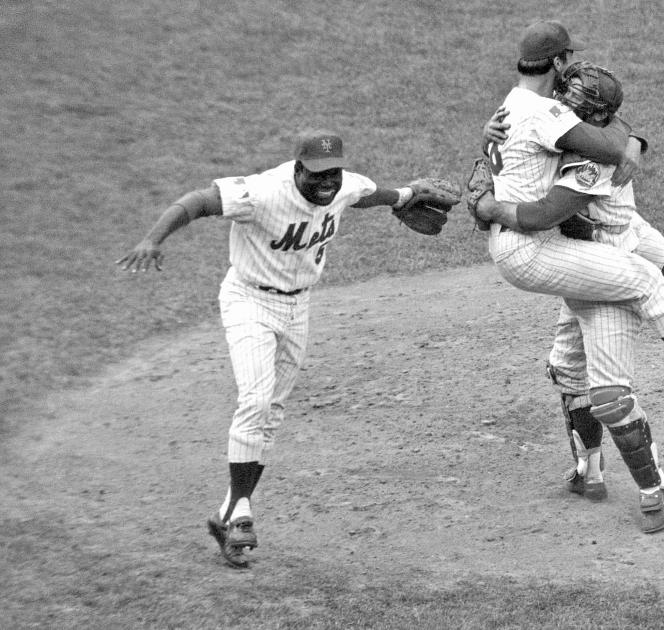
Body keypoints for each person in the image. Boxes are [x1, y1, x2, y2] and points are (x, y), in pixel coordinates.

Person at [471, 22, 664, 532]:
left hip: (563, 256)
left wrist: (630, 140)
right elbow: (550, 207)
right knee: (638, 293)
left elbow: (606, 132)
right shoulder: (570, 143)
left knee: (571, 371)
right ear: (555, 62)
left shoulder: (513, 110)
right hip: (545, 248)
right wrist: (494, 208)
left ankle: (586, 472)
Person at [115, 128, 459, 567]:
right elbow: (197, 201)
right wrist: (153, 239)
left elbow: (368, 194)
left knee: (272, 412)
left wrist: (406, 194)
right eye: (316, 175)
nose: (326, 183)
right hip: (249, 301)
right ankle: (241, 510)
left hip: (298, 307)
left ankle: (228, 513)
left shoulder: (343, 184)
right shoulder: (261, 193)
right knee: (255, 401)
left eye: (332, 173)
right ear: (297, 169)